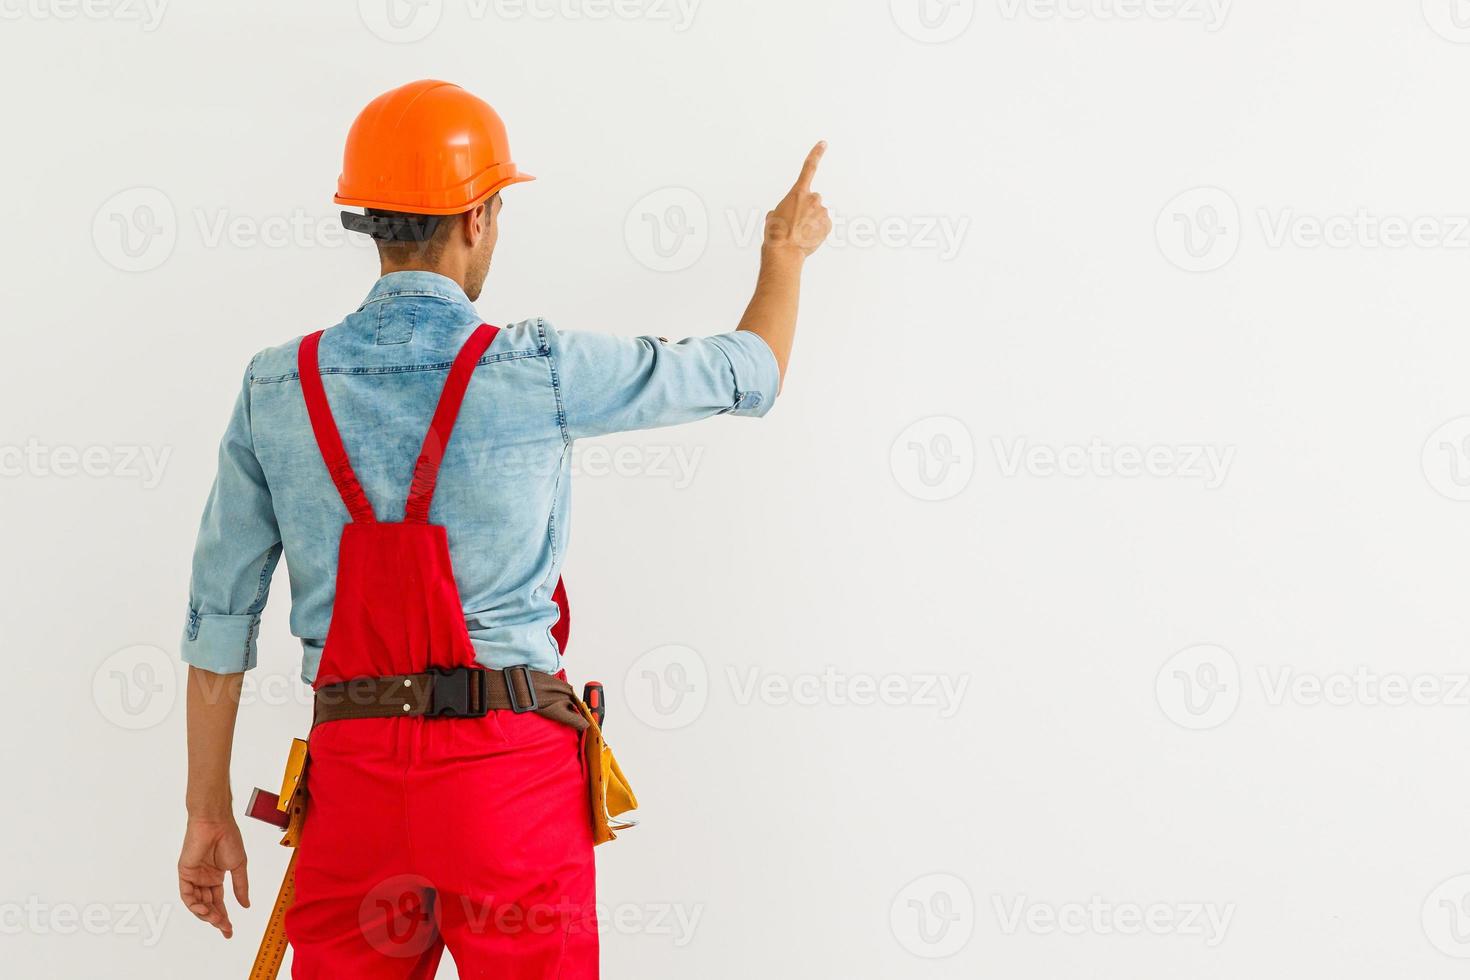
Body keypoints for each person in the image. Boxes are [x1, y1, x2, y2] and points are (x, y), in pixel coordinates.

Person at [174, 78, 831, 978]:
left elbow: (219, 619)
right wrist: (783, 257)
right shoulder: (542, 368)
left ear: (368, 220)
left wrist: (206, 811)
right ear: (478, 217)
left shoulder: (274, 387)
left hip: (353, 783)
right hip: (507, 782)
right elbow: (748, 373)